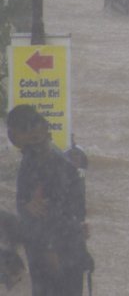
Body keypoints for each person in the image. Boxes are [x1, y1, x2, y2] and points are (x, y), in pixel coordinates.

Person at [5, 105, 93, 296]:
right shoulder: (35, 156)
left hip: (58, 251)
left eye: (13, 133)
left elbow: (59, 210)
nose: (10, 138)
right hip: (51, 248)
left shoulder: (49, 162)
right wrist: (26, 205)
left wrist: (50, 248)